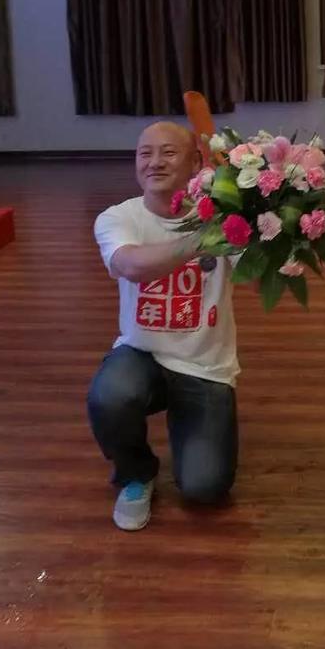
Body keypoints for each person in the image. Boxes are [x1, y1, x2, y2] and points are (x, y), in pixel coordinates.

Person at [88, 122, 238, 531]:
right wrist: (205, 237)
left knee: (206, 488)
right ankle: (136, 473)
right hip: (142, 354)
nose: (154, 162)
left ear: (196, 163)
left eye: (168, 153)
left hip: (205, 366)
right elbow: (130, 266)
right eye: (145, 153)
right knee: (110, 395)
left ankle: (190, 423)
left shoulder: (227, 215)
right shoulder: (118, 217)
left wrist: (274, 225)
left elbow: (261, 277)